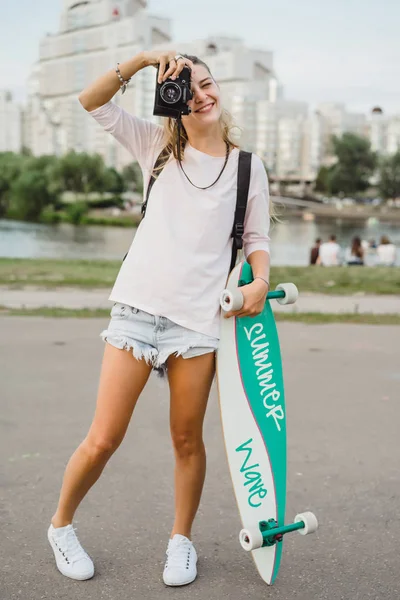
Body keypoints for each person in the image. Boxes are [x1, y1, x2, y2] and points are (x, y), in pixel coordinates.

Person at [47, 50, 271, 587]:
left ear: (220, 88)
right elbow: (90, 100)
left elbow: (257, 238)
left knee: (187, 441)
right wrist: (147, 60)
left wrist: (259, 282)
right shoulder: (155, 148)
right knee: (103, 438)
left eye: (206, 85)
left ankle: (181, 541)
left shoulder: (247, 167)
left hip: (196, 324)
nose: (201, 97)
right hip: (137, 312)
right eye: (187, 91)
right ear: (173, 103)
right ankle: (60, 525)